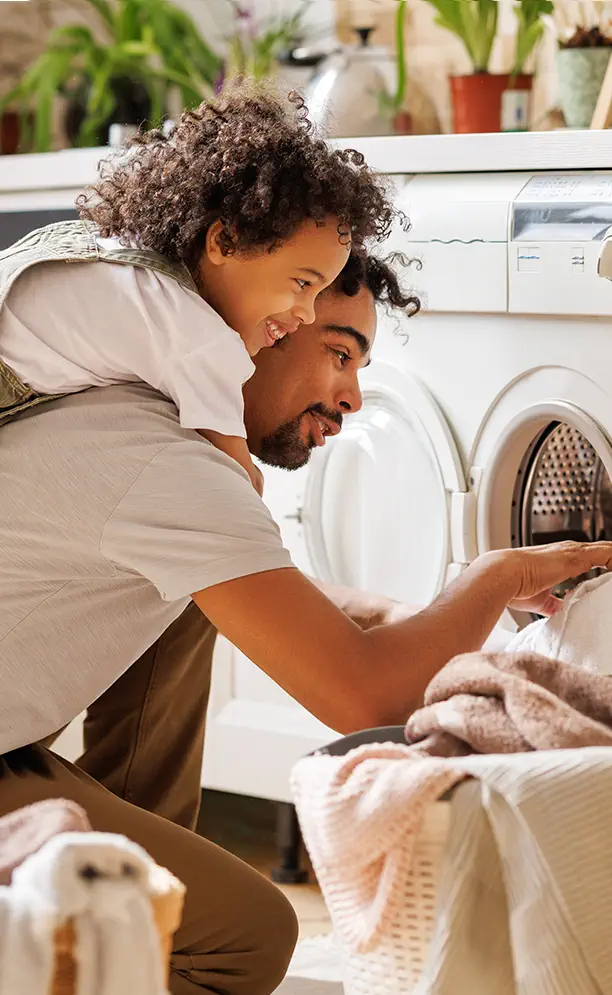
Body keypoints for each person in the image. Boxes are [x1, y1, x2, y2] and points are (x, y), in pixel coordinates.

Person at [0, 247, 610, 994]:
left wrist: (413, 614)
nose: (353, 397)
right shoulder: (166, 465)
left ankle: (113, 915)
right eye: (339, 354)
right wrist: (498, 575)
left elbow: (256, 583)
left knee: (190, 605)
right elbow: (370, 699)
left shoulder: (139, 412)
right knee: (248, 937)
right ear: (270, 325)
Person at [0, 84, 392, 495]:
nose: (307, 313)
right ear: (225, 243)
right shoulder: (202, 341)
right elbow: (237, 481)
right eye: (301, 284)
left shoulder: (132, 254)